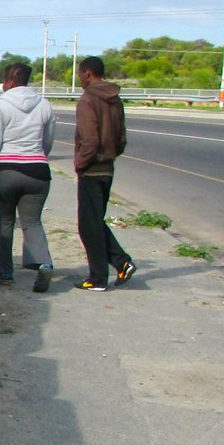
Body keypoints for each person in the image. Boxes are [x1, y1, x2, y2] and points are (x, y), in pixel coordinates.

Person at [0, 62, 58, 292]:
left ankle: (5, 272)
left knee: (5, 222)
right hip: (38, 172)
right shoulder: (45, 105)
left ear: (9, 81)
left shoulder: (1, 106)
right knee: (32, 222)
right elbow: (48, 141)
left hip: (7, 172)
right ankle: (45, 263)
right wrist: (37, 157)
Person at [72, 56, 136, 291]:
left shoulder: (87, 100)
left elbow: (90, 139)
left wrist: (80, 163)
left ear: (88, 73)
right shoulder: (115, 99)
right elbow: (121, 138)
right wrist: (110, 155)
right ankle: (121, 264)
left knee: (88, 226)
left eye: (80, 74)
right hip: (107, 168)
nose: (79, 78)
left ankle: (98, 278)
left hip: (91, 170)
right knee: (94, 223)